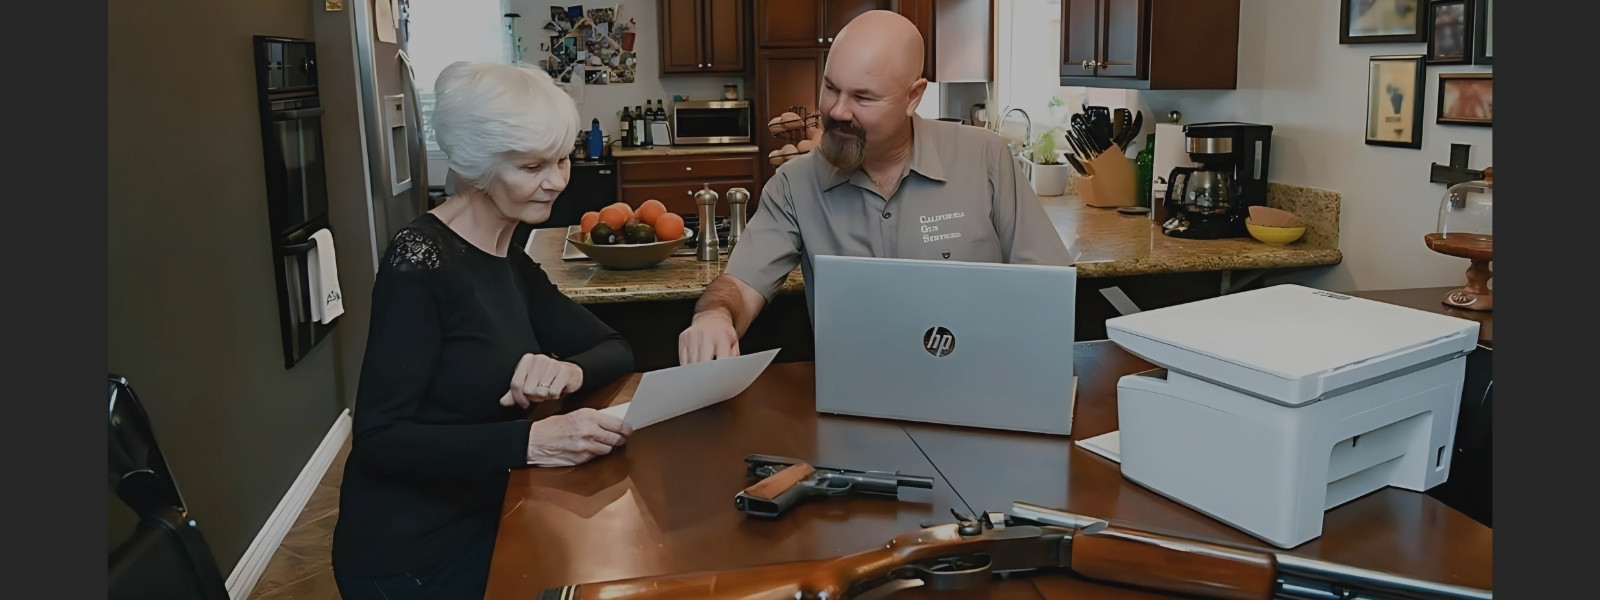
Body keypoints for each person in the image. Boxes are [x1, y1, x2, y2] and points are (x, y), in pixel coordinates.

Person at [331, 61, 635, 599]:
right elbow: (379, 440)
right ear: (479, 166)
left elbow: (614, 348)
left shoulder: (507, 257)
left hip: (489, 515)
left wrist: (564, 370)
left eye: (561, 159)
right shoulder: (420, 263)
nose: (556, 181)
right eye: (531, 166)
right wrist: (531, 441)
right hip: (412, 558)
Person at [678, 10, 1073, 364]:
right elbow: (740, 285)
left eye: (863, 97)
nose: (836, 110)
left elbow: (1047, 289)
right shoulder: (793, 185)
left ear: (913, 96)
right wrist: (713, 315)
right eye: (831, 87)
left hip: (984, 389)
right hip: (852, 408)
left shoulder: (985, 158)